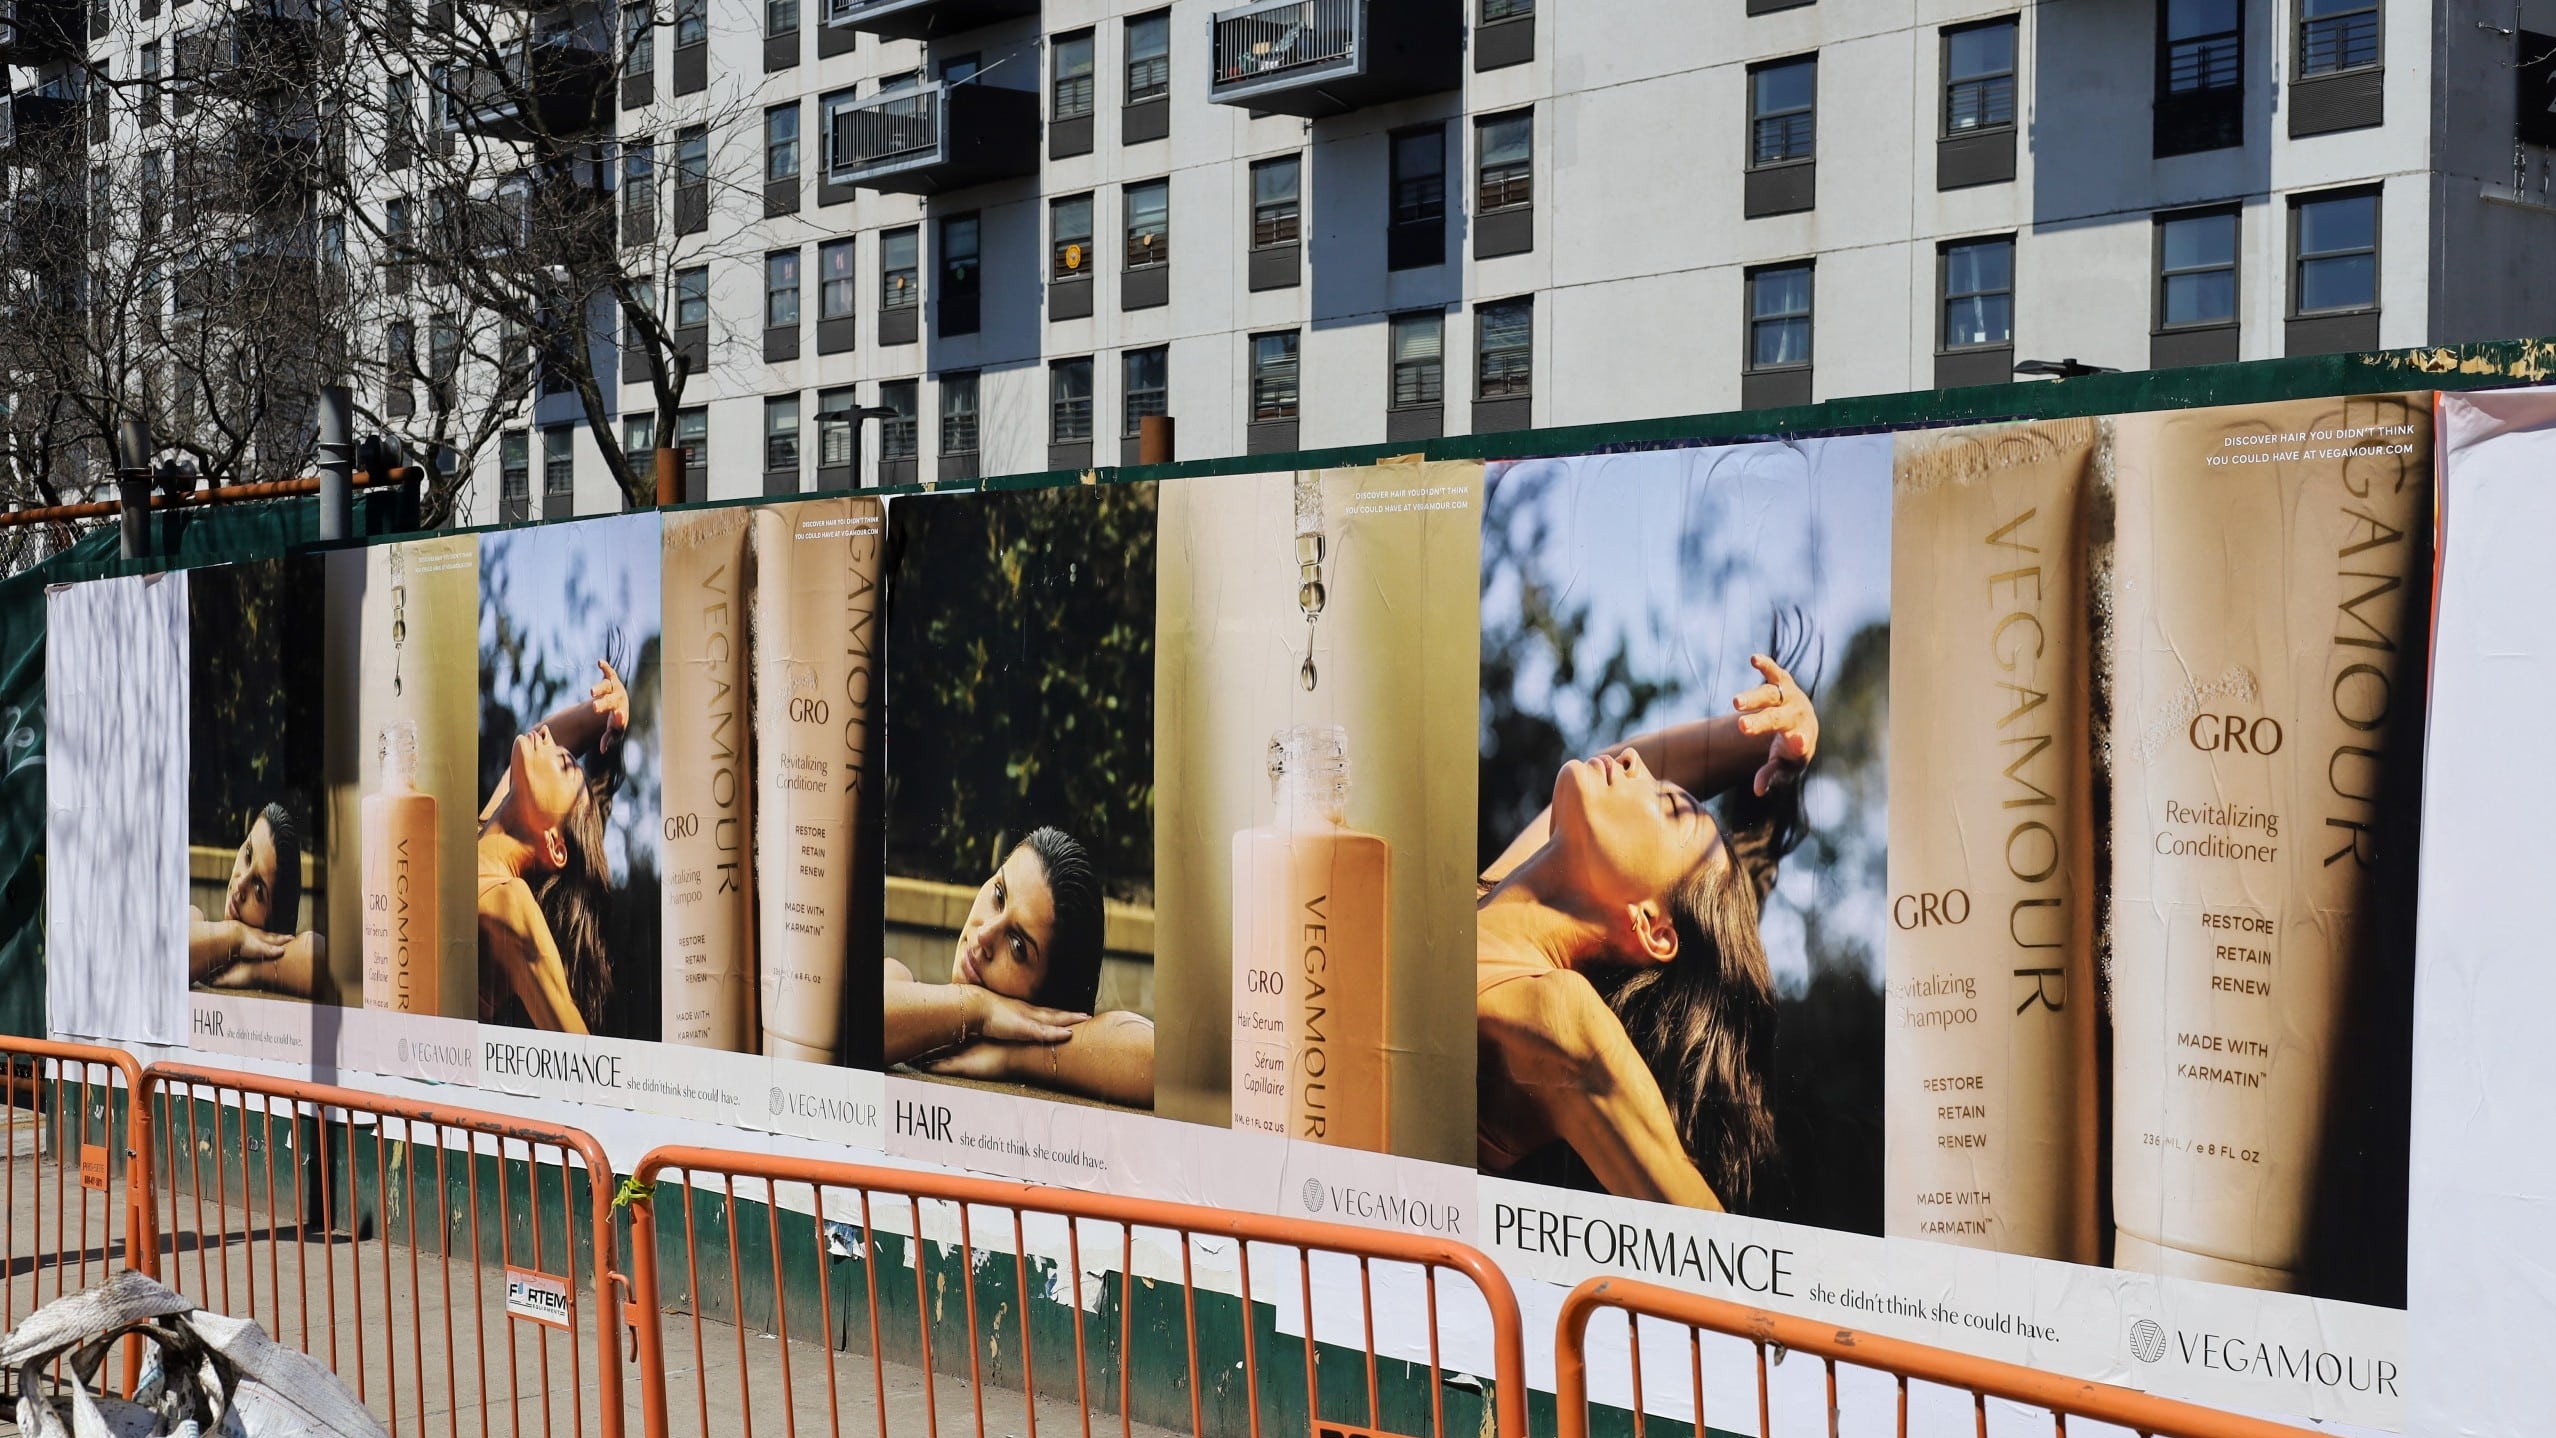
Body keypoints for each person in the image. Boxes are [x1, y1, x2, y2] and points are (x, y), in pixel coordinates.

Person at [1476, 645, 1817, 1213]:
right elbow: (1621, 757)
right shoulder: (1485, 902)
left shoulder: (1555, 1016)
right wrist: (1767, 740)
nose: (1635, 763)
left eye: (1670, 807)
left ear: (1653, 928)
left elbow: (1704, 1239)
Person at [885, 826, 1155, 1108]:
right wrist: (978, 1007)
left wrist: (1014, 1056)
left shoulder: (1067, 1056)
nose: (985, 934)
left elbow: (1157, 1063)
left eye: (1018, 946)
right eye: (999, 896)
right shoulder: (899, 980)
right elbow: (854, 1016)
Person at [478, 657, 628, 1034]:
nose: (545, 737)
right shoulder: (478, 835)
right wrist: (606, 711)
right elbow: (558, 732)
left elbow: (578, 1053)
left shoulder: (509, 903)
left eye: (563, 764)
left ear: (555, 845)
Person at [188, 802, 326, 998]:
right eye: (248, 854)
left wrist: (254, 972)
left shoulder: (283, 958)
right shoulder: (195, 919)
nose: (241, 883)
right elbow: (164, 948)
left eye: (259, 889)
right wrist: (236, 936)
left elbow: (320, 957)